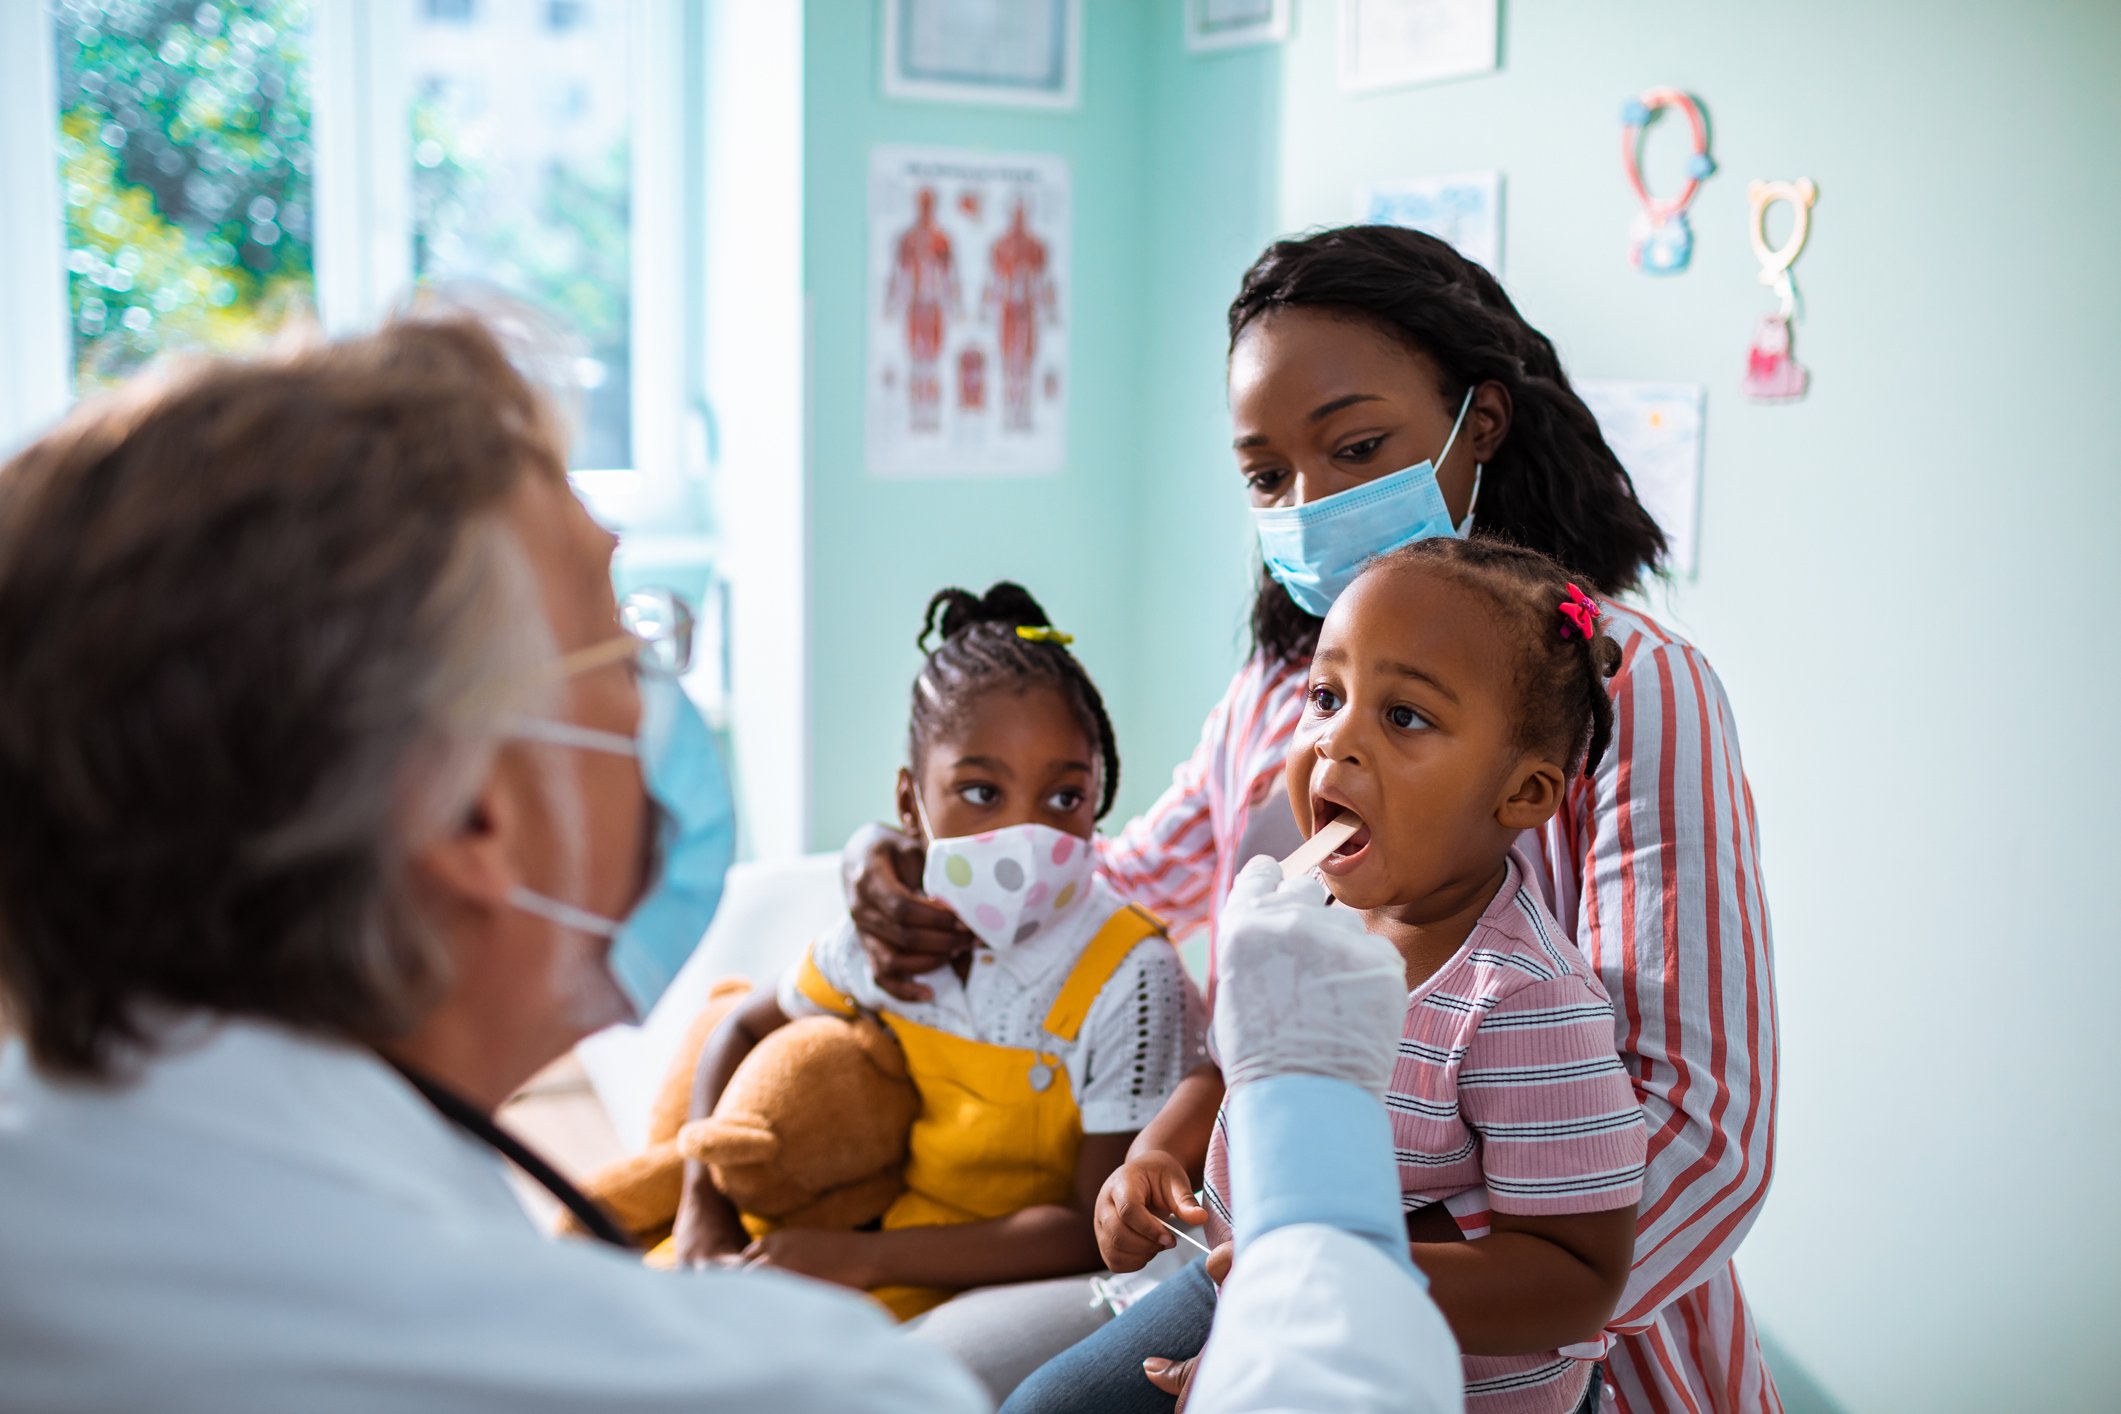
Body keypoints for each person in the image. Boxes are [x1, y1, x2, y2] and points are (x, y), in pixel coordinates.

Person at [0, 314, 1455, 1413]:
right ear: (470, 818)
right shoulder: (744, 1386)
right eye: (620, 645)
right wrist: (1315, 1139)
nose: (662, 705)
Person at [853, 225, 1779, 1411]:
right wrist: (920, 869)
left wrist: (1335, 1318)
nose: (1311, 503)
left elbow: (1702, 1135)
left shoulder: (1627, 685)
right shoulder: (1289, 686)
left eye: (1355, 447)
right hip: (1253, 1263)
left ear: (1478, 425)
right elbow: (1134, 885)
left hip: (1517, 1345)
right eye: (1267, 474)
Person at [1012, 538, 1649, 1414]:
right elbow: (1239, 1066)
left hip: (1438, 1363)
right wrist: (1156, 1151)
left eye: (1405, 718)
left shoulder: (1523, 1000)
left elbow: (1574, 1276)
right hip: (1245, 1282)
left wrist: (1326, 1301)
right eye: (1325, 696)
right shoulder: (1303, 908)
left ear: (1524, 796)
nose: (1335, 739)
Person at [672, 582, 1205, 1399]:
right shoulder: (888, 938)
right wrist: (699, 1209)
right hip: (894, 1249)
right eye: (981, 792)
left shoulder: (1129, 974)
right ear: (908, 803)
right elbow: (734, 1031)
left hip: (1030, 1282)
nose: (1022, 834)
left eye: (1064, 798)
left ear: (1098, 802)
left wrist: (857, 1257)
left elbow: (1092, 1232)